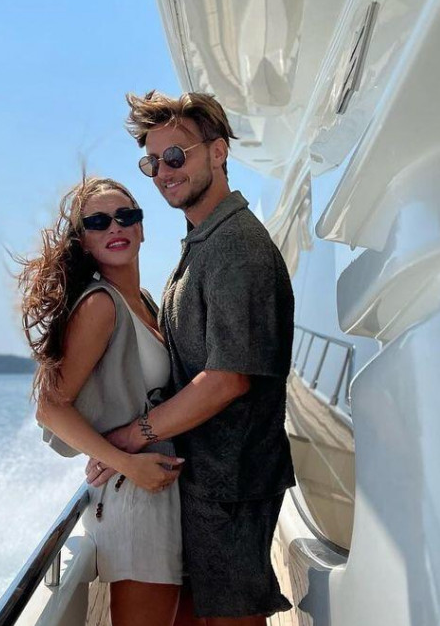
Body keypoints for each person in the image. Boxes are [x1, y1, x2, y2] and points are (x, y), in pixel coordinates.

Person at [88, 91, 296, 625]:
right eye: (152, 163)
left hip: (233, 485)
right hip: (206, 483)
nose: (164, 172)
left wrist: (132, 437)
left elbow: (227, 379)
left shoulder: (236, 248)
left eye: (176, 155)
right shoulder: (205, 240)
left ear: (218, 152)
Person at [18, 177, 185, 626]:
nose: (115, 226)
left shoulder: (144, 301)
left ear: (142, 228)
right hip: (135, 494)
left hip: (159, 487)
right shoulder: (101, 306)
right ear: (84, 242)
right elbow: (50, 408)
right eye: (98, 222)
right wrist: (126, 462)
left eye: (126, 216)